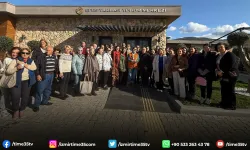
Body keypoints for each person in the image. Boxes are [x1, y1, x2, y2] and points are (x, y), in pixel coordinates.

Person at [6, 48, 36, 118]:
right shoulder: (16, 60)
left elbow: (34, 67)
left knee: (25, 97)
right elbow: (8, 71)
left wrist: (25, 65)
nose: (25, 54)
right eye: (23, 53)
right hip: (16, 81)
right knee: (15, 97)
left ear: (29, 54)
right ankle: (16, 110)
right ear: (21, 53)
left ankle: (22, 109)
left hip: (27, 82)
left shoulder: (31, 61)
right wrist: (16, 68)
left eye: (27, 53)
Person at [33, 46, 58, 112]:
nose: (47, 51)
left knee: (48, 89)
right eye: (46, 50)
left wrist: (57, 72)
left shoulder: (54, 57)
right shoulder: (41, 56)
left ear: (52, 51)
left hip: (51, 75)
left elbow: (56, 65)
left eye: (49, 50)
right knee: (39, 90)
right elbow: (36, 66)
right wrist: (38, 75)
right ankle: (36, 105)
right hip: (44, 75)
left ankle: (45, 101)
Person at [216, 43, 239, 110]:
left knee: (230, 90)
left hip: (231, 75)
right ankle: (224, 103)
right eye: (218, 47)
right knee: (224, 90)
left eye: (221, 47)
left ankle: (232, 105)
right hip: (223, 75)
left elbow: (231, 65)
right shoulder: (219, 55)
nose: (220, 48)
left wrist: (221, 71)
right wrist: (218, 71)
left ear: (225, 47)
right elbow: (218, 65)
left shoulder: (230, 54)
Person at [0, 47, 21, 117]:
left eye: (17, 53)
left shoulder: (20, 60)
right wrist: (2, 71)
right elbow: (3, 68)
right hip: (5, 80)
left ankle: (15, 110)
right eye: (13, 52)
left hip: (15, 81)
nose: (14, 54)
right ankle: (4, 110)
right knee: (5, 97)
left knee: (14, 97)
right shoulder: (7, 59)